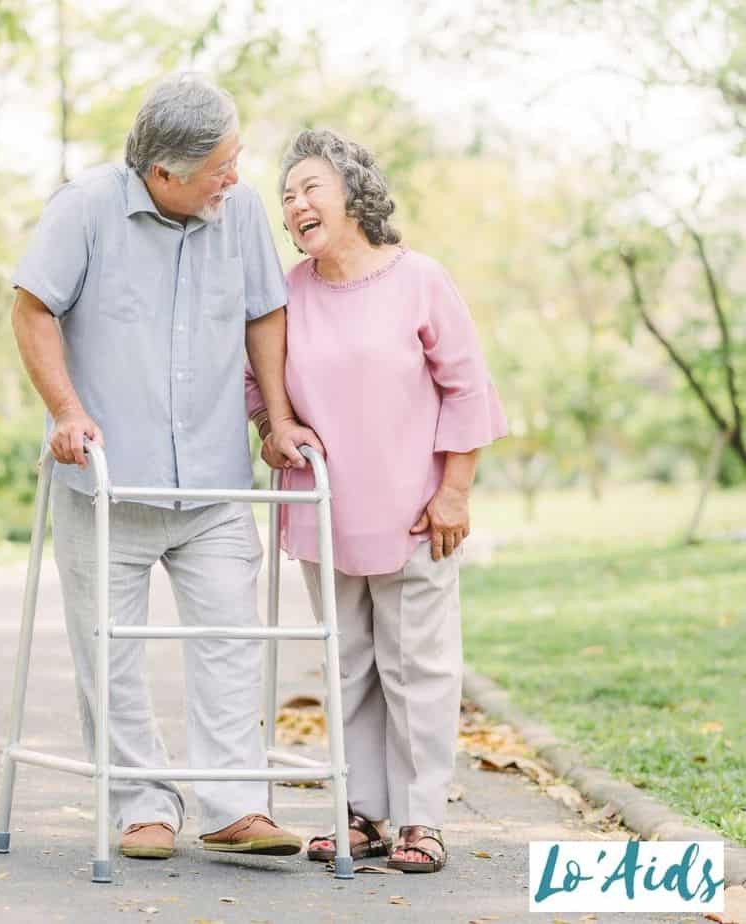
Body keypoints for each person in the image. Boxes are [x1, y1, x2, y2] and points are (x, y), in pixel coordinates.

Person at [10, 73, 322, 862]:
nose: (236, 177)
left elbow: (265, 311)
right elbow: (32, 307)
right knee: (108, 649)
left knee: (230, 636)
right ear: (163, 174)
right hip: (109, 481)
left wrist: (277, 419)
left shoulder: (238, 211)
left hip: (213, 478)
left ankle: (233, 806)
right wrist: (65, 411)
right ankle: (141, 805)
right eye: (220, 164)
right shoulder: (82, 208)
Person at [245, 128, 508, 873]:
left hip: (416, 512)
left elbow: (467, 389)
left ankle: (422, 819)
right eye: (286, 196)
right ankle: (359, 813)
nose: (294, 206)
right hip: (322, 512)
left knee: (416, 666)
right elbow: (255, 384)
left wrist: (455, 490)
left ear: (353, 194)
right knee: (346, 665)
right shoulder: (285, 292)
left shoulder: (419, 278)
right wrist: (273, 426)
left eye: (309, 189)